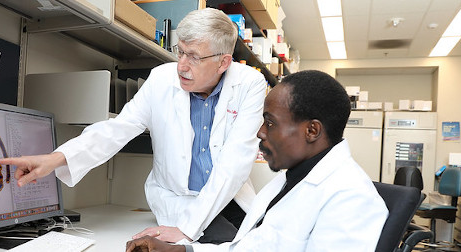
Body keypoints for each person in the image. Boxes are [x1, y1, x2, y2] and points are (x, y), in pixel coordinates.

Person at [0, 8, 267, 243]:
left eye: (194, 57)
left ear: (224, 62)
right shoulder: (161, 80)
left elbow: (234, 163)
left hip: (227, 196)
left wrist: (185, 229)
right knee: (218, 244)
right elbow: (117, 129)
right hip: (177, 198)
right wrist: (56, 158)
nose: (181, 65)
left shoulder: (249, 84)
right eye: (180, 52)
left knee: (257, 240)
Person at [125, 70, 390, 252]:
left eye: (271, 122)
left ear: (312, 131)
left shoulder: (353, 199)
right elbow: (248, 247)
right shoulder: (291, 180)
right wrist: (181, 250)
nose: (260, 132)